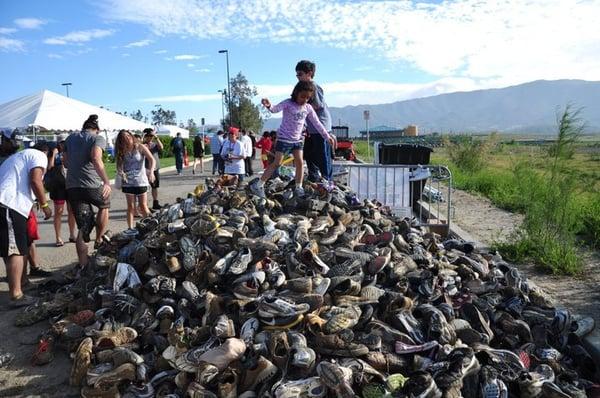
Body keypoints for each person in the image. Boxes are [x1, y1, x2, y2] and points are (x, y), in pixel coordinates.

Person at [250, 81, 334, 198]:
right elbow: (275, 109)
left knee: (300, 163)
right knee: (277, 163)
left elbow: (317, 124)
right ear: (296, 93)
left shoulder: (308, 108)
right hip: (284, 139)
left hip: (297, 140)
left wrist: (327, 136)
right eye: (302, 96)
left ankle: (298, 187)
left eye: (308, 98)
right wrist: (269, 105)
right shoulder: (288, 103)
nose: (304, 99)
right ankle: (259, 185)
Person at [0, 135, 52, 307]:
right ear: (48, 152)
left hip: (8, 204)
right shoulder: (40, 156)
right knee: (14, 250)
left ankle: (22, 283)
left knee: (16, 247)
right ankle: (16, 295)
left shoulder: (19, 157)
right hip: (9, 205)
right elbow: (35, 180)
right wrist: (44, 204)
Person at [64, 114, 111, 269]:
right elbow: (96, 158)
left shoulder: (70, 138)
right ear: (96, 129)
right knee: (104, 204)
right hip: (91, 184)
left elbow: (65, 161)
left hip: (73, 187)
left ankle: (83, 265)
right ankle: (98, 239)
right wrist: (105, 181)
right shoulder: (97, 138)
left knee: (83, 227)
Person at [296, 60, 335, 184]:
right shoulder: (304, 87)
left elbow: (318, 105)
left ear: (309, 73)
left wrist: (302, 104)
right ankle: (314, 175)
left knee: (322, 154)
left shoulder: (313, 86)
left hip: (321, 125)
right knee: (308, 152)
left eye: (300, 74)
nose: (298, 77)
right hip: (312, 127)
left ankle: (327, 179)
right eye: (297, 75)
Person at [115, 130, 156, 230]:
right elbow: (119, 166)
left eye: (128, 136)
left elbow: (152, 159)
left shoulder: (140, 147)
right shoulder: (122, 150)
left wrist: (151, 172)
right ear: (121, 141)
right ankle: (130, 229)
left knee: (143, 206)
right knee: (130, 207)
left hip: (141, 181)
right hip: (128, 183)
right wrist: (121, 172)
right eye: (124, 138)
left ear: (131, 136)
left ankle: (151, 227)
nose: (127, 139)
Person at [47, 134, 77, 246]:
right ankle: (58, 237)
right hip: (58, 186)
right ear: (58, 143)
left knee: (72, 211)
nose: (64, 144)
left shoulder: (70, 151)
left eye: (65, 142)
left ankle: (72, 234)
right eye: (62, 142)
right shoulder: (53, 152)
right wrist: (54, 155)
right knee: (58, 212)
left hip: (70, 184)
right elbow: (49, 167)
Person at [143, 128, 163, 210]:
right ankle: (145, 205)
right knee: (145, 188)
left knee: (155, 186)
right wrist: (142, 138)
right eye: (148, 136)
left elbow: (161, 147)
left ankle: (155, 202)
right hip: (146, 169)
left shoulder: (154, 144)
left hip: (155, 168)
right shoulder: (142, 145)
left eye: (151, 136)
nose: (150, 137)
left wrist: (156, 137)